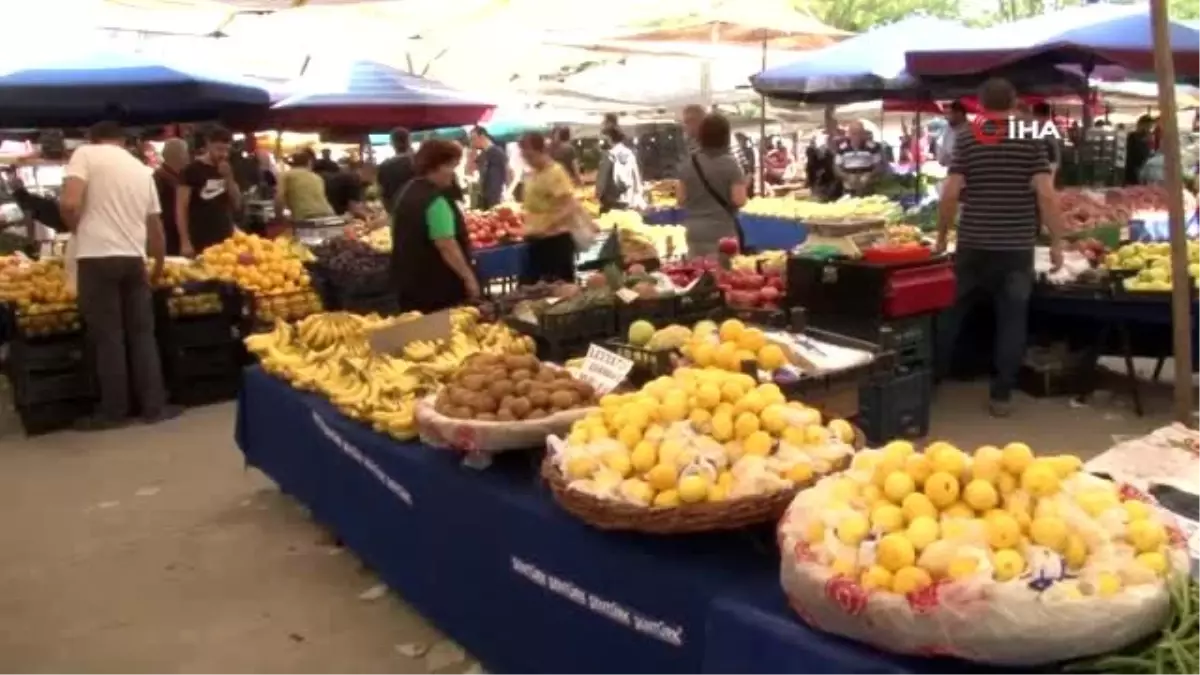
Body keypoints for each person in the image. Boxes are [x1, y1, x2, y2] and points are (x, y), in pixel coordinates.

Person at [934, 78, 1064, 418]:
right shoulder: (1030, 138)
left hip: (973, 242)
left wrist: (941, 236)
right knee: (1011, 319)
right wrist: (1056, 242)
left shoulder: (966, 136)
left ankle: (930, 381)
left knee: (951, 312)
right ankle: (1001, 394)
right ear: (1015, 100)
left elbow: (950, 193)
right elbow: (1046, 193)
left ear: (978, 104)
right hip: (1016, 246)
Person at [59, 121, 178, 429]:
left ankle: (114, 411)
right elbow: (156, 228)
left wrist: (77, 228)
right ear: (124, 141)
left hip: (96, 257)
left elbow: (70, 202)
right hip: (134, 259)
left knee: (108, 336)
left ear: (92, 138)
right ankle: (154, 407)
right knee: (142, 335)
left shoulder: (85, 154)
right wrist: (159, 265)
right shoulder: (141, 169)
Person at [390, 140, 479, 312]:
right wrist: (469, 278)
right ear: (435, 166)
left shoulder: (407, 190)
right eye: (451, 166)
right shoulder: (435, 201)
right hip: (436, 288)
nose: (453, 174)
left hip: (408, 284)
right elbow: (446, 245)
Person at [677, 112, 748, 256]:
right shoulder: (731, 164)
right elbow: (739, 200)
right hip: (723, 231)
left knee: (698, 273)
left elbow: (681, 199)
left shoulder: (689, 163)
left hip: (695, 232)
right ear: (726, 136)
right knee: (724, 275)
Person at [518, 132, 583, 284]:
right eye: (524, 156)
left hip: (555, 241)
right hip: (536, 241)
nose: (527, 160)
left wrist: (546, 226)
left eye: (529, 155)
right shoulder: (534, 174)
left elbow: (570, 206)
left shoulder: (555, 172)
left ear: (541, 151)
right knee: (533, 290)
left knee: (558, 291)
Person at [176, 126, 240, 256]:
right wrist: (185, 241)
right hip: (200, 236)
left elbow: (237, 203)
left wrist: (229, 178)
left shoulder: (227, 168)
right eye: (219, 149)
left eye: (227, 150)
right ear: (208, 144)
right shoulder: (191, 170)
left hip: (226, 237)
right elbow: (181, 208)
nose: (223, 154)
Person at [153, 138, 189, 256]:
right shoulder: (159, 178)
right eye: (186, 153)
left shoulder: (182, 177)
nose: (188, 157)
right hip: (167, 234)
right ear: (178, 156)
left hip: (179, 232)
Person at [595, 127, 643, 213]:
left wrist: (598, 194)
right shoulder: (630, 154)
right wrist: (638, 193)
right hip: (627, 199)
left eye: (604, 139)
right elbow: (636, 176)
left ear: (609, 138)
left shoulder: (609, 155)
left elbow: (602, 178)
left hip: (611, 200)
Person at [276, 151, 335, 221]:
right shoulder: (317, 177)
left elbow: (279, 197)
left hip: (305, 216)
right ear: (309, 163)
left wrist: (278, 216)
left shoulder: (286, 175)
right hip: (328, 214)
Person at [834, 121, 884, 196]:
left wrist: (869, 175)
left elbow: (879, 166)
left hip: (867, 187)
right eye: (854, 133)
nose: (857, 136)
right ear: (849, 134)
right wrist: (847, 177)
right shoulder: (842, 148)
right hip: (849, 188)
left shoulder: (872, 147)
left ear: (863, 133)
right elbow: (836, 167)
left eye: (860, 133)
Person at [470, 127, 511, 209]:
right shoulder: (483, 154)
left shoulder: (496, 153)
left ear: (482, 137)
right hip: (485, 197)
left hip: (495, 198)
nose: (472, 142)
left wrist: (507, 192)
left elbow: (506, 173)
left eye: (473, 139)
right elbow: (471, 170)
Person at [377, 127, 415, 210]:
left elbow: (384, 194)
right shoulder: (419, 162)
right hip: (418, 209)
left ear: (392, 143)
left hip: (396, 210)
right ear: (409, 141)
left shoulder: (385, 166)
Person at [1031, 102, 1061, 180]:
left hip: (1038, 166)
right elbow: (1055, 151)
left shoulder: (1030, 129)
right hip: (1047, 165)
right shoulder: (1050, 130)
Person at [1125, 115, 1155, 185]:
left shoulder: (1150, 137)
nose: (1149, 128)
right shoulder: (1132, 137)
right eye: (1148, 126)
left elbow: (1150, 152)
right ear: (1141, 125)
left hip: (1145, 169)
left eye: (1150, 126)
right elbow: (1130, 155)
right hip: (1133, 170)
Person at [937, 101, 969, 167]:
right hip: (953, 172)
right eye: (945, 114)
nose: (945, 117)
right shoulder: (947, 131)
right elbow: (942, 159)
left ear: (959, 114)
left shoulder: (972, 130)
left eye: (948, 113)